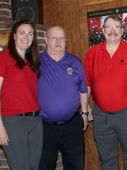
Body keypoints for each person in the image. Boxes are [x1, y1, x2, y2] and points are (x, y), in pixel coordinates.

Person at [84, 15, 127, 170]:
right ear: (102, 30)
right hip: (101, 116)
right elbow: (86, 83)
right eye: (108, 27)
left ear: (122, 31)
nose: (112, 31)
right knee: (106, 159)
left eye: (116, 27)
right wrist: (85, 105)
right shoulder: (92, 54)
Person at [37, 26, 89, 170]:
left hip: (72, 125)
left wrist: (84, 113)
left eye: (61, 38)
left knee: (76, 166)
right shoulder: (36, 62)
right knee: (44, 166)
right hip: (45, 127)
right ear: (46, 40)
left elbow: (83, 90)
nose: (58, 41)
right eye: (54, 37)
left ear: (66, 41)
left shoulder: (75, 62)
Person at [0, 19, 42, 169]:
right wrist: (0, 127)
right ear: (14, 36)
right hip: (13, 123)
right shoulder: (3, 57)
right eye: (22, 33)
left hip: (35, 121)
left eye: (30, 34)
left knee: (34, 167)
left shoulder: (32, 61)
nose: (26, 37)